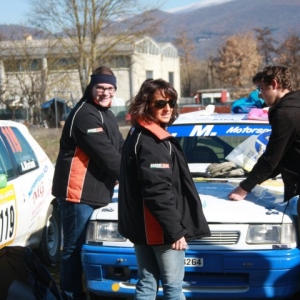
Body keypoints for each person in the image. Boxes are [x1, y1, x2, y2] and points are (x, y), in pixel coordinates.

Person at [118, 78, 210, 300]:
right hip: (159, 230)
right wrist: (175, 231)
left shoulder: (137, 133)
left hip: (144, 228)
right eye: (160, 103)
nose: (168, 108)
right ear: (146, 104)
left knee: (147, 285)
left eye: (172, 102)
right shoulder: (152, 141)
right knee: (173, 289)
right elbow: (157, 192)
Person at [52, 65, 124, 300]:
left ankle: (91, 289)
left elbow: (120, 148)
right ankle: (71, 295)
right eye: (100, 87)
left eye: (110, 88)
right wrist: (135, 180)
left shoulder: (107, 114)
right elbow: (107, 156)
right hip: (77, 194)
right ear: (91, 88)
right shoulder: (85, 114)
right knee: (73, 249)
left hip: (97, 191)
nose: (106, 93)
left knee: (90, 247)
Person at [228, 65, 300, 202]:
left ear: (273, 84)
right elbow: (281, 158)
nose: (260, 95)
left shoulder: (286, 113)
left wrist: (243, 188)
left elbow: (272, 157)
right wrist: (253, 180)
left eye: (260, 88)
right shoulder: (295, 106)